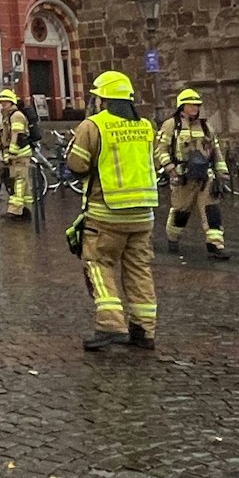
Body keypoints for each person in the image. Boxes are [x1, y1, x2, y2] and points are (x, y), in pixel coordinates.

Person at [63, 71, 160, 352]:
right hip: (143, 214)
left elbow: (76, 165)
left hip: (106, 213)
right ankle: (144, 330)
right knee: (139, 270)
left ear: (102, 99)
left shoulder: (94, 126)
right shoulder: (145, 126)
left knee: (97, 263)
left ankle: (110, 325)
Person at [155, 88, 232, 260]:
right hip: (182, 179)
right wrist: (171, 169)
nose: (195, 108)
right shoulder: (171, 126)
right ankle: (173, 239)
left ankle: (215, 246)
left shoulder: (206, 127)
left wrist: (222, 173)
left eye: (197, 105)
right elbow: (161, 150)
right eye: (192, 105)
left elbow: (216, 151)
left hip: (205, 178)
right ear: (182, 106)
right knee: (181, 212)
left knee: (212, 210)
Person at [0, 89, 34, 219]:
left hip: (19, 154)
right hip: (16, 154)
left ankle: (15, 210)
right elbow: (6, 134)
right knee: (23, 182)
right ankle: (26, 210)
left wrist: (11, 151)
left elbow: (16, 134)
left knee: (17, 182)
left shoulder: (16, 116)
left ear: (11, 101)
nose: (3, 104)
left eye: (5, 101)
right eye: (1, 102)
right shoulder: (8, 115)